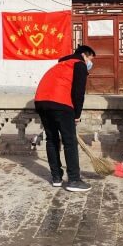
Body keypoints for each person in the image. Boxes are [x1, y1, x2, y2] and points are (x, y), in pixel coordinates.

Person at [34, 45, 96, 192]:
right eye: (90, 59)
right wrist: (77, 115)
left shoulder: (60, 65)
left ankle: (56, 177)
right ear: (84, 55)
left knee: (52, 139)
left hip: (41, 102)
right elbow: (78, 93)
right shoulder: (79, 64)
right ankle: (74, 180)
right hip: (60, 103)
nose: (90, 64)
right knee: (69, 141)